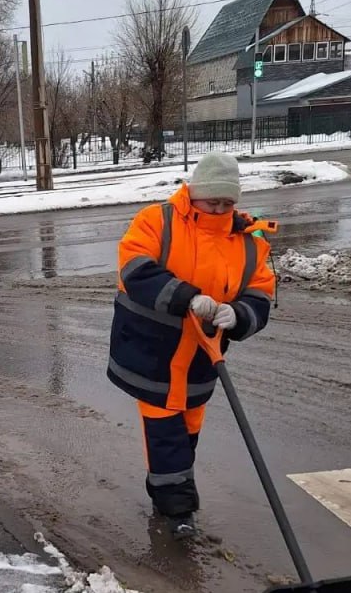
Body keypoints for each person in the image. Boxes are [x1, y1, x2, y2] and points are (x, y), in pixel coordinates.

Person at [107, 152, 277, 538]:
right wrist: (186, 297)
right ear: (193, 193)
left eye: (227, 202)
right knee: (165, 430)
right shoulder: (158, 220)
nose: (219, 208)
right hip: (152, 353)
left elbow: (261, 293)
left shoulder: (250, 241)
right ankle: (177, 510)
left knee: (187, 430)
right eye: (211, 200)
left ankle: (173, 490)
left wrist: (240, 315)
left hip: (204, 357)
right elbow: (134, 268)